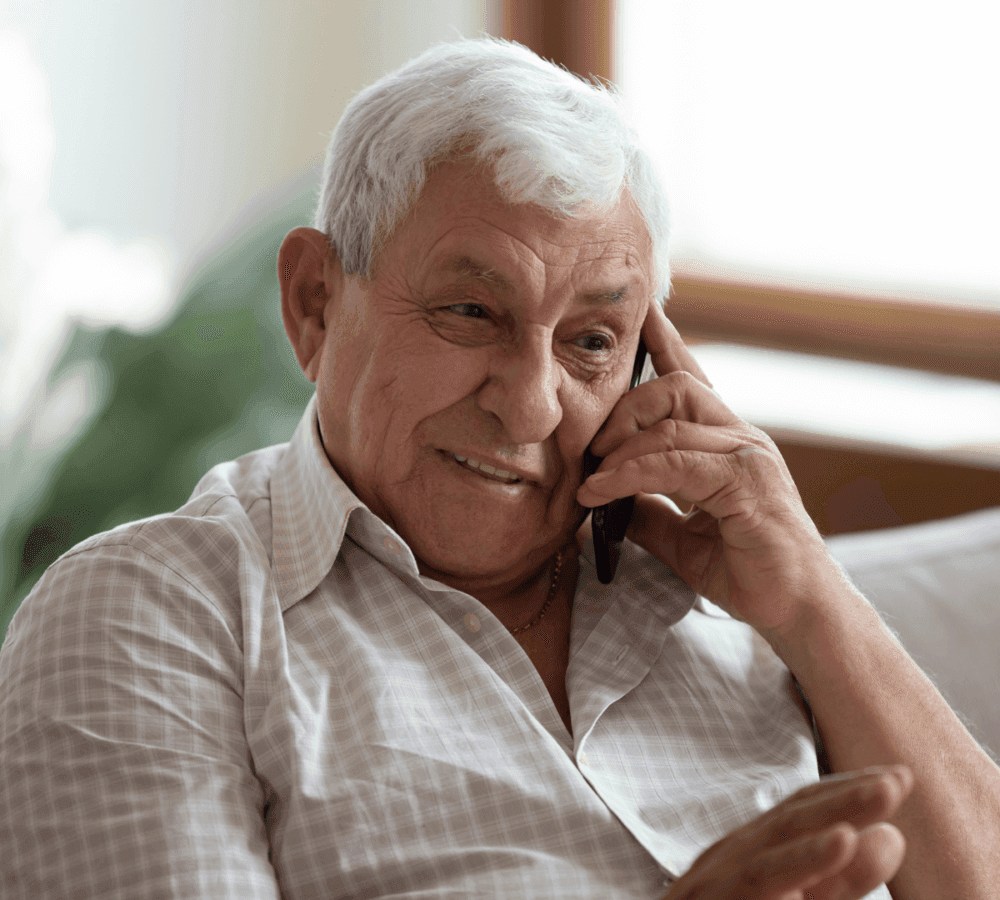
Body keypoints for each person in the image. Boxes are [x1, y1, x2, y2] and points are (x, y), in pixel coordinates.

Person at [0, 37, 997, 900]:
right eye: (471, 313)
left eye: (592, 342)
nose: (529, 404)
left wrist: (815, 601)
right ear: (312, 304)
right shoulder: (152, 617)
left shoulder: (744, 607)